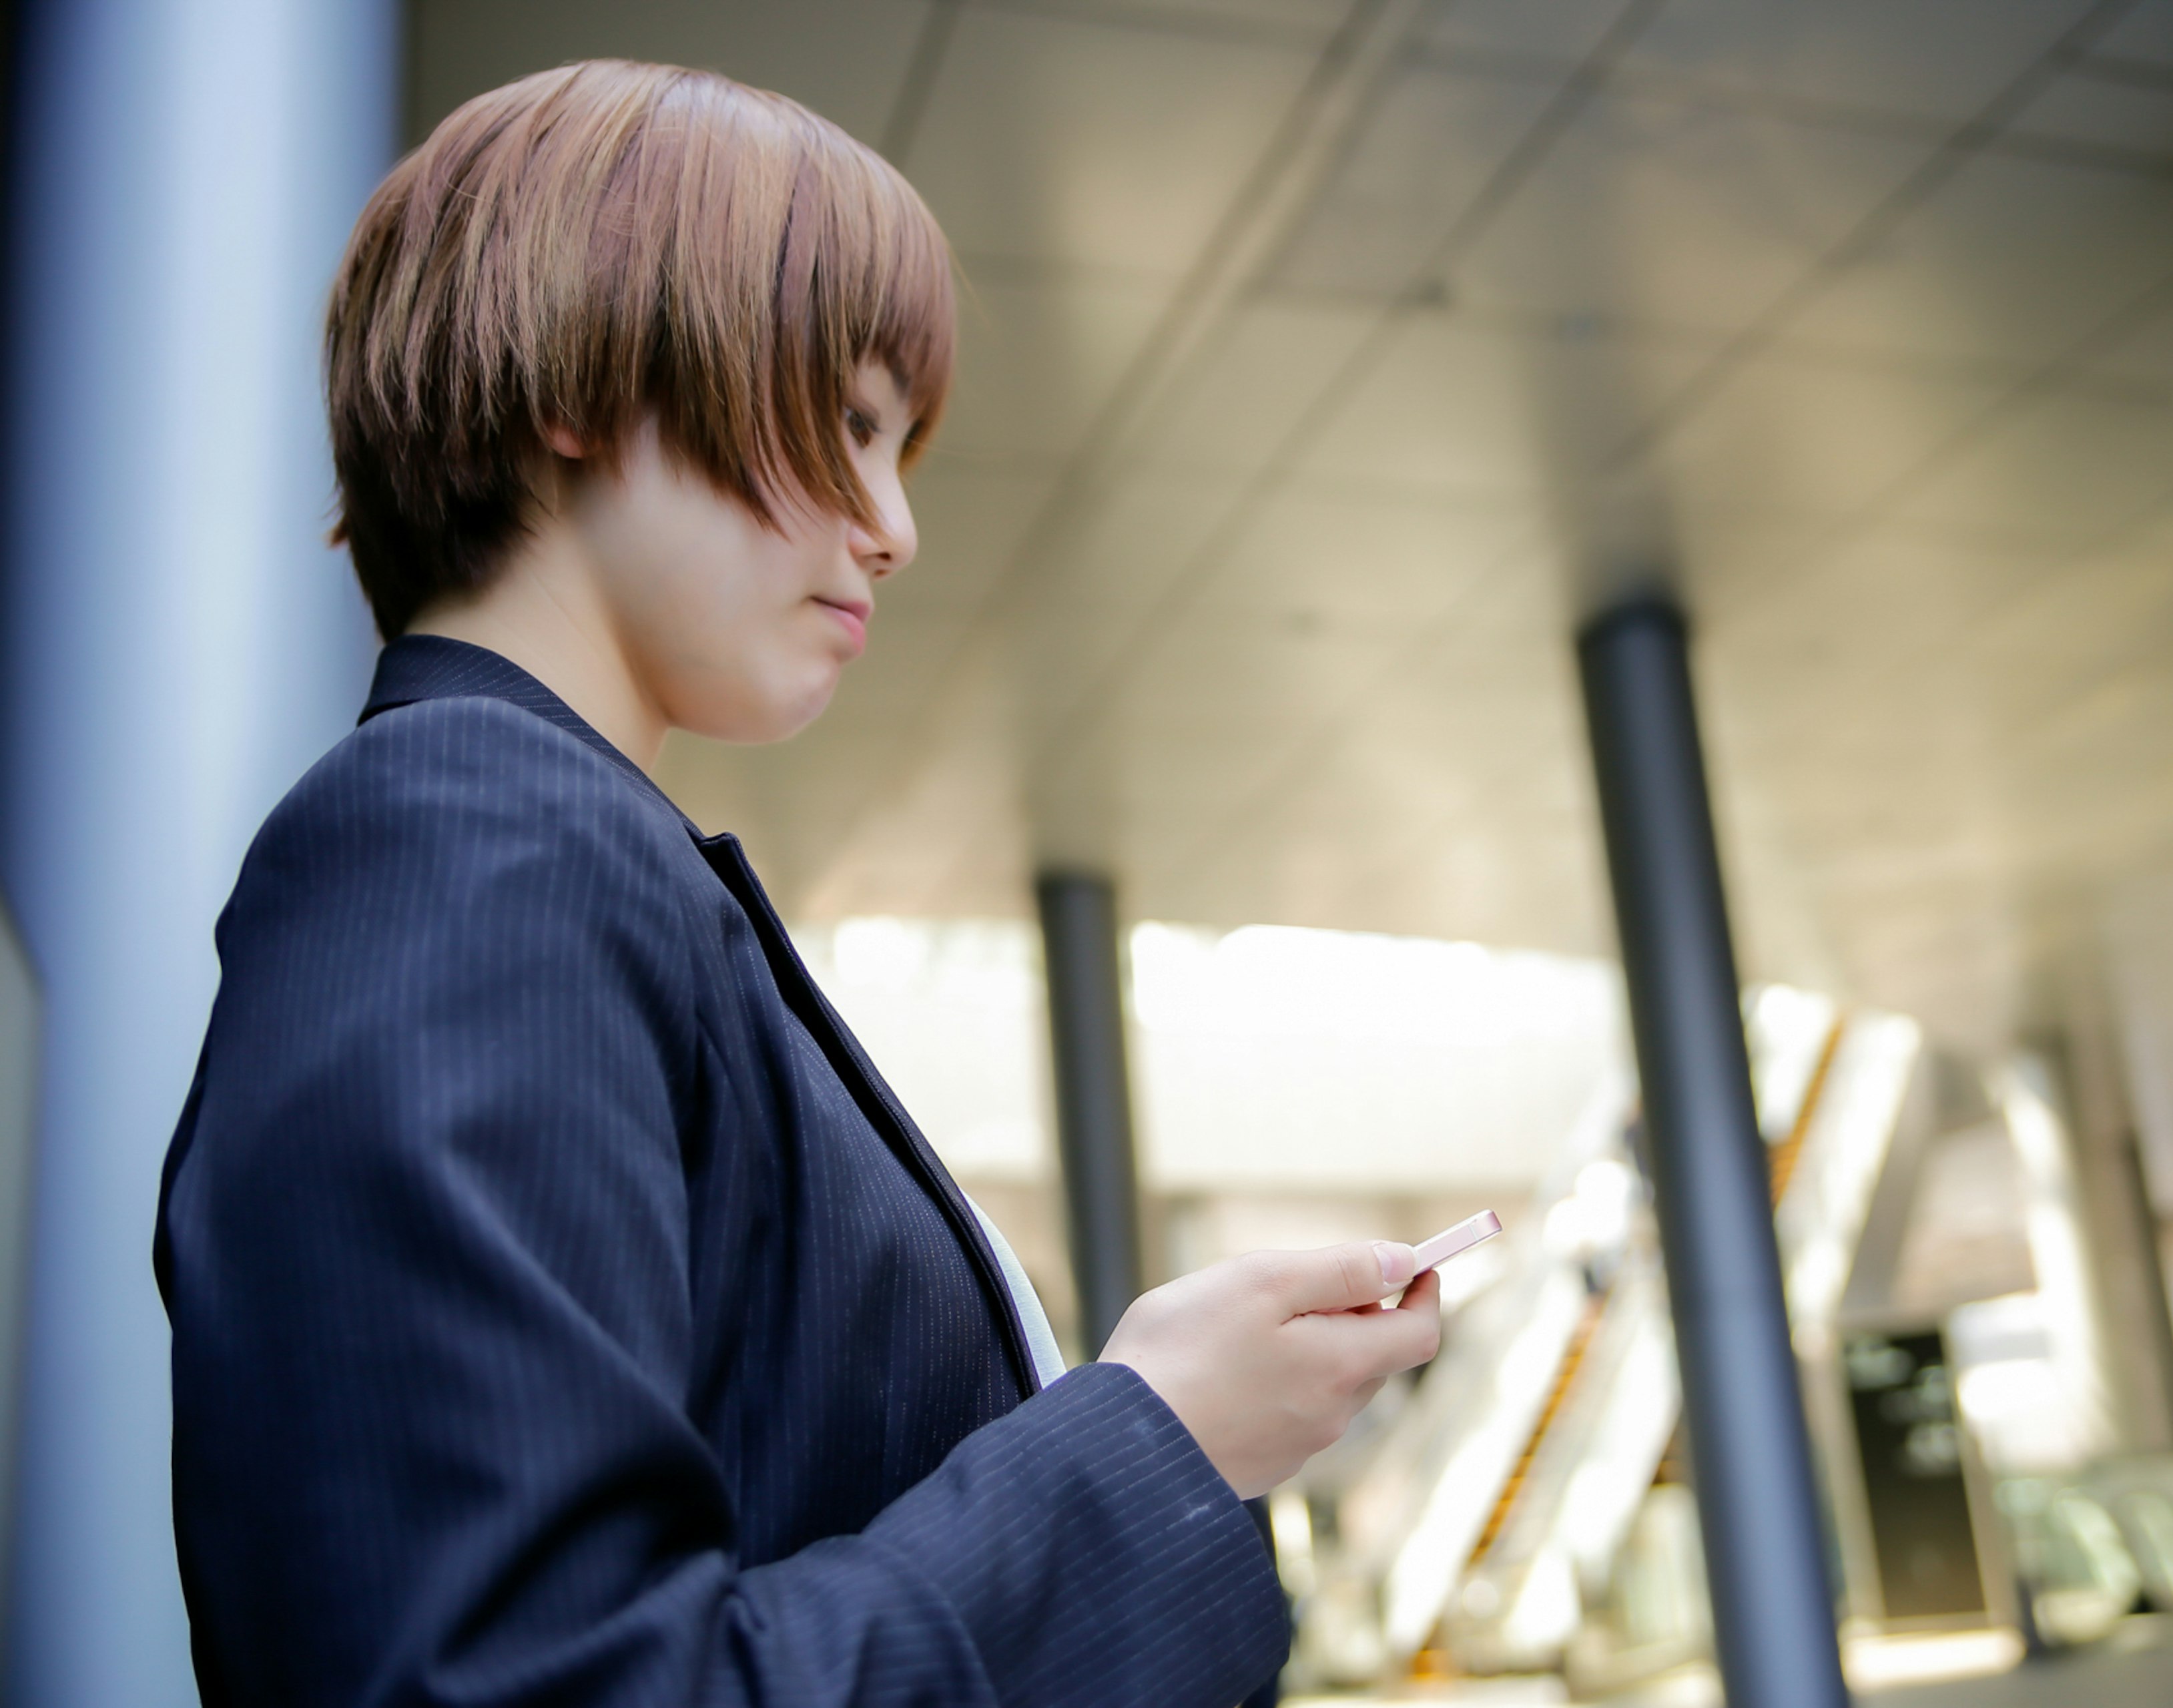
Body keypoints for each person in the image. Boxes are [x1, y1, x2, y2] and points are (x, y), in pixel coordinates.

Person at [154, 60, 1440, 1708]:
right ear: (585, 362)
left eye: (901, 446)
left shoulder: (544, 853)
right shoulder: (465, 830)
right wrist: (1147, 1438)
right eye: (845, 420)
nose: (894, 524)